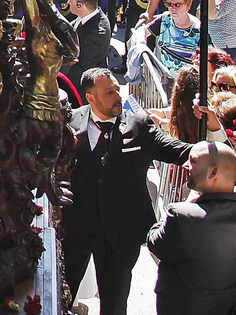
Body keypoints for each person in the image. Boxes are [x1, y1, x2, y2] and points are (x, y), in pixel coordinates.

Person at [62, 68, 194, 315]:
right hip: (76, 228)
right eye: (109, 92)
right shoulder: (70, 121)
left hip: (120, 234)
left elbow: (174, 149)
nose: (117, 96)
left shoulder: (140, 126)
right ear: (91, 98)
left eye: (117, 90)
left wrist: (216, 145)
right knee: (62, 296)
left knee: (114, 305)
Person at [147, 141, 236, 315]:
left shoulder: (183, 216)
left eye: (193, 161)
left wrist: (188, 203)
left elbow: (154, 242)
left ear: (213, 172)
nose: (186, 166)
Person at [65, 0, 111, 91]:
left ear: (80, 5)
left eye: (70, 1)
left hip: (83, 89)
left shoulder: (97, 33)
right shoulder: (86, 16)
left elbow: (82, 69)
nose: (68, 3)